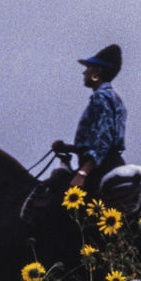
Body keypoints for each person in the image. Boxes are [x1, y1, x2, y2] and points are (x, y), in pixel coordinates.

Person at [54, 44, 126, 194]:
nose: (84, 72)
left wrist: (82, 173)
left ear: (97, 72)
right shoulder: (116, 98)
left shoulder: (101, 97)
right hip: (111, 163)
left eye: (88, 67)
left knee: (57, 195)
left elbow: (103, 140)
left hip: (99, 168)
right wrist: (69, 148)